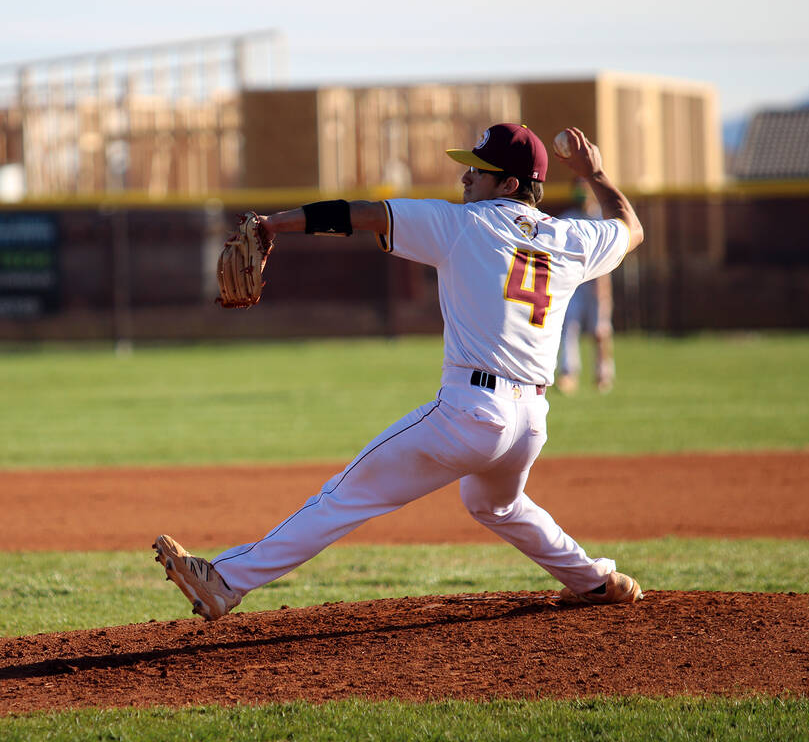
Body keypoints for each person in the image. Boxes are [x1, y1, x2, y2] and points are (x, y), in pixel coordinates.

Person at [154, 123, 646, 620]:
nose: (466, 178)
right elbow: (631, 227)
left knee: (347, 494)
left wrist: (275, 224)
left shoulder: (462, 226)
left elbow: (363, 215)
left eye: (480, 170)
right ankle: (595, 581)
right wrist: (597, 173)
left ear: (510, 184)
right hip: (530, 423)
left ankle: (224, 581)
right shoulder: (571, 237)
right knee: (494, 505)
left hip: (470, 413)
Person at [555, 181, 616, 394]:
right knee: (568, 326)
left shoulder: (601, 218)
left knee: (600, 331)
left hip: (597, 282)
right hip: (573, 284)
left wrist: (604, 288)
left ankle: (603, 373)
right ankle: (568, 372)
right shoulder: (567, 218)